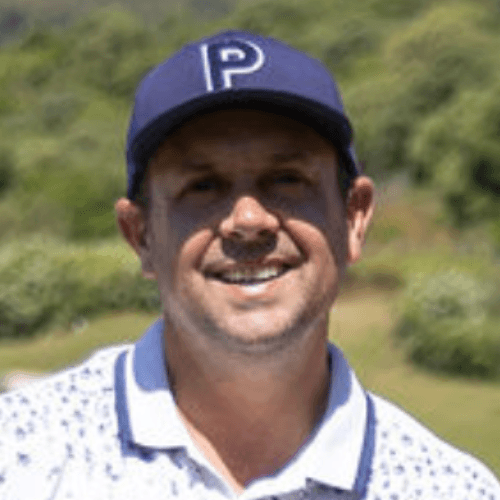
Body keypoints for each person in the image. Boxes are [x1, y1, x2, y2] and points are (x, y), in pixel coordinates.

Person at [0, 30, 499, 500]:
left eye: (286, 179)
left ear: (353, 218)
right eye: (202, 186)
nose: (248, 220)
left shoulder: (448, 489)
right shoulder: (20, 457)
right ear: (141, 235)